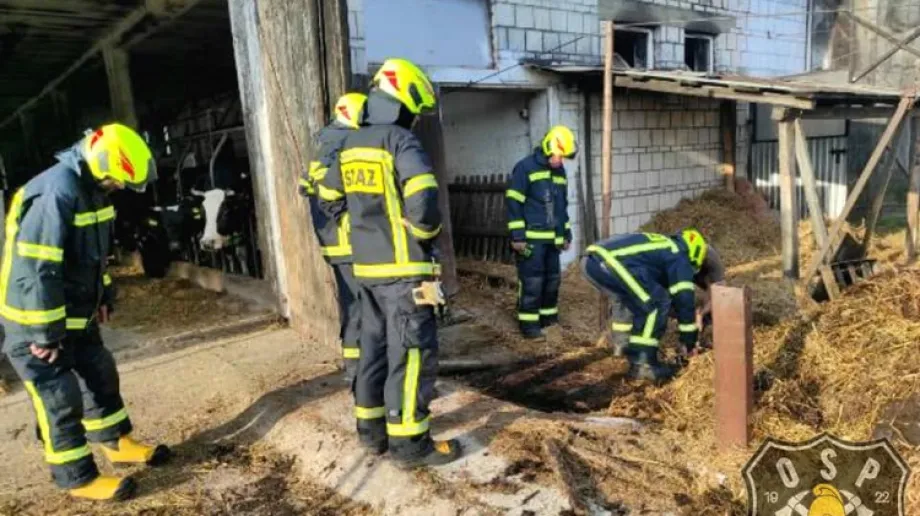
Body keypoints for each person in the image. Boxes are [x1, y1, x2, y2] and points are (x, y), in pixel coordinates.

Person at [1, 123, 170, 501]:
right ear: (99, 161)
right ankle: (77, 478)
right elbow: (38, 268)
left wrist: (104, 293)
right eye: (117, 178)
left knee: (100, 374)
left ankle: (115, 441)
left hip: (76, 314)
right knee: (60, 397)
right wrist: (45, 333)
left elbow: (92, 256)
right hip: (36, 321)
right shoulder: (56, 191)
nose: (120, 186)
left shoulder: (91, 189)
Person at [317, 57, 462, 468]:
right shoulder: (400, 141)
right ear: (405, 102)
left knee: (373, 350)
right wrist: (422, 232)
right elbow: (423, 198)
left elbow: (327, 198)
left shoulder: (347, 145)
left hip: (365, 273)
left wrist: (360, 225)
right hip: (404, 272)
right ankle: (410, 443)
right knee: (412, 353)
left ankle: (372, 433)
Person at [299, 92, 368, 384]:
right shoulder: (344, 144)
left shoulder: (325, 144)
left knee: (352, 304)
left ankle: (355, 367)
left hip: (335, 241)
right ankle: (361, 372)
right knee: (361, 306)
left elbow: (309, 188)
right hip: (350, 240)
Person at [580, 228, 709, 382]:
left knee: (630, 299)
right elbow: (684, 299)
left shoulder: (663, 246)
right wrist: (689, 341)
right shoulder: (680, 256)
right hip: (608, 261)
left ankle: (622, 346)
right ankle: (644, 364)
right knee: (657, 303)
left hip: (592, 261)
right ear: (694, 256)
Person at [505, 125, 576, 339]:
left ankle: (549, 321)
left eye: (563, 157)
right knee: (532, 282)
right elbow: (514, 202)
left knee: (552, 281)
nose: (560, 160)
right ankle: (529, 325)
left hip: (552, 241)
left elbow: (562, 206)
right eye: (558, 155)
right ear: (547, 148)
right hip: (531, 240)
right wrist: (517, 236)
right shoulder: (525, 168)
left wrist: (566, 234)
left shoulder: (559, 172)